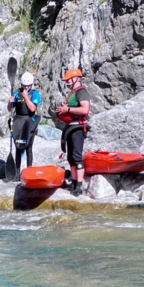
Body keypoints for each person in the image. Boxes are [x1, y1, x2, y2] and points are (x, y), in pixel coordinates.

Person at [56, 68, 91, 196]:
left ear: (76, 78)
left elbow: (84, 109)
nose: (67, 82)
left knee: (76, 156)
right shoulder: (73, 92)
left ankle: (79, 186)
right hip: (70, 127)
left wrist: (67, 109)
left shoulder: (82, 92)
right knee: (71, 157)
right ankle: (74, 182)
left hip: (77, 127)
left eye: (68, 80)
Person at [7, 71, 42, 179]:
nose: (26, 87)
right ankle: (17, 173)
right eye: (24, 86)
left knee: (28, 148)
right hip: (18, 121)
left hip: (29, 121)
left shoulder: (34, 94)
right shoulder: (16, 93)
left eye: (28, 86)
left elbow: (32, 108)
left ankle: (29, 172)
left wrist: (26, 96)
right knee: (18, 146)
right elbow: (10, 109)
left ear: (31, 84)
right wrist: (10, 102)